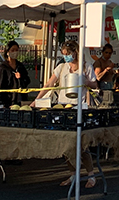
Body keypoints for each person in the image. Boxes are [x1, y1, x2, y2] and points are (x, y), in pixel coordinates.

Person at [31, 40, 98, 189]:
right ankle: (73, 173)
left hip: (79, 107)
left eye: (68, 54)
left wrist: (85, 81)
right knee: (65, 144)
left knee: (81, 145)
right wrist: (36, 100)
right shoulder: (61, 67)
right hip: (63, 107)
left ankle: (91, 174)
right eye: (64, 54)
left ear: (75, 52)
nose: (66, 57)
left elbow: (95, 84)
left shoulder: (86, 67)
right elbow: (49, 84)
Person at [0, 40, 31, 107]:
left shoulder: (20, 66)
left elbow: (27, 80)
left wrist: (21, 78)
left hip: (20, 101)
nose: (15, 52)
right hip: (7, 102)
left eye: (16, 50)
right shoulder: (2, 68)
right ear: (7, 52)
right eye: (12, 50)